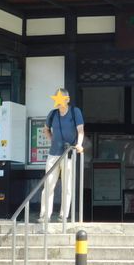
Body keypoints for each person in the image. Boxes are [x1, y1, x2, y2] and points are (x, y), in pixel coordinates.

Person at [39, 88, 84, 223]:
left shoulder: (75, 112)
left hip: (68, 153)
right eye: (56, 99)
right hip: (53, 154)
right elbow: (46, 129)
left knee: (67, 185)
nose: (58, 102)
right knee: (48, 184)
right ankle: (45, 214)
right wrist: (52, 140)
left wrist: (79, 144)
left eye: (61, 99)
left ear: (67, 99)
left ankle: (63, 214)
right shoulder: (52, 114)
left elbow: (80, 130)